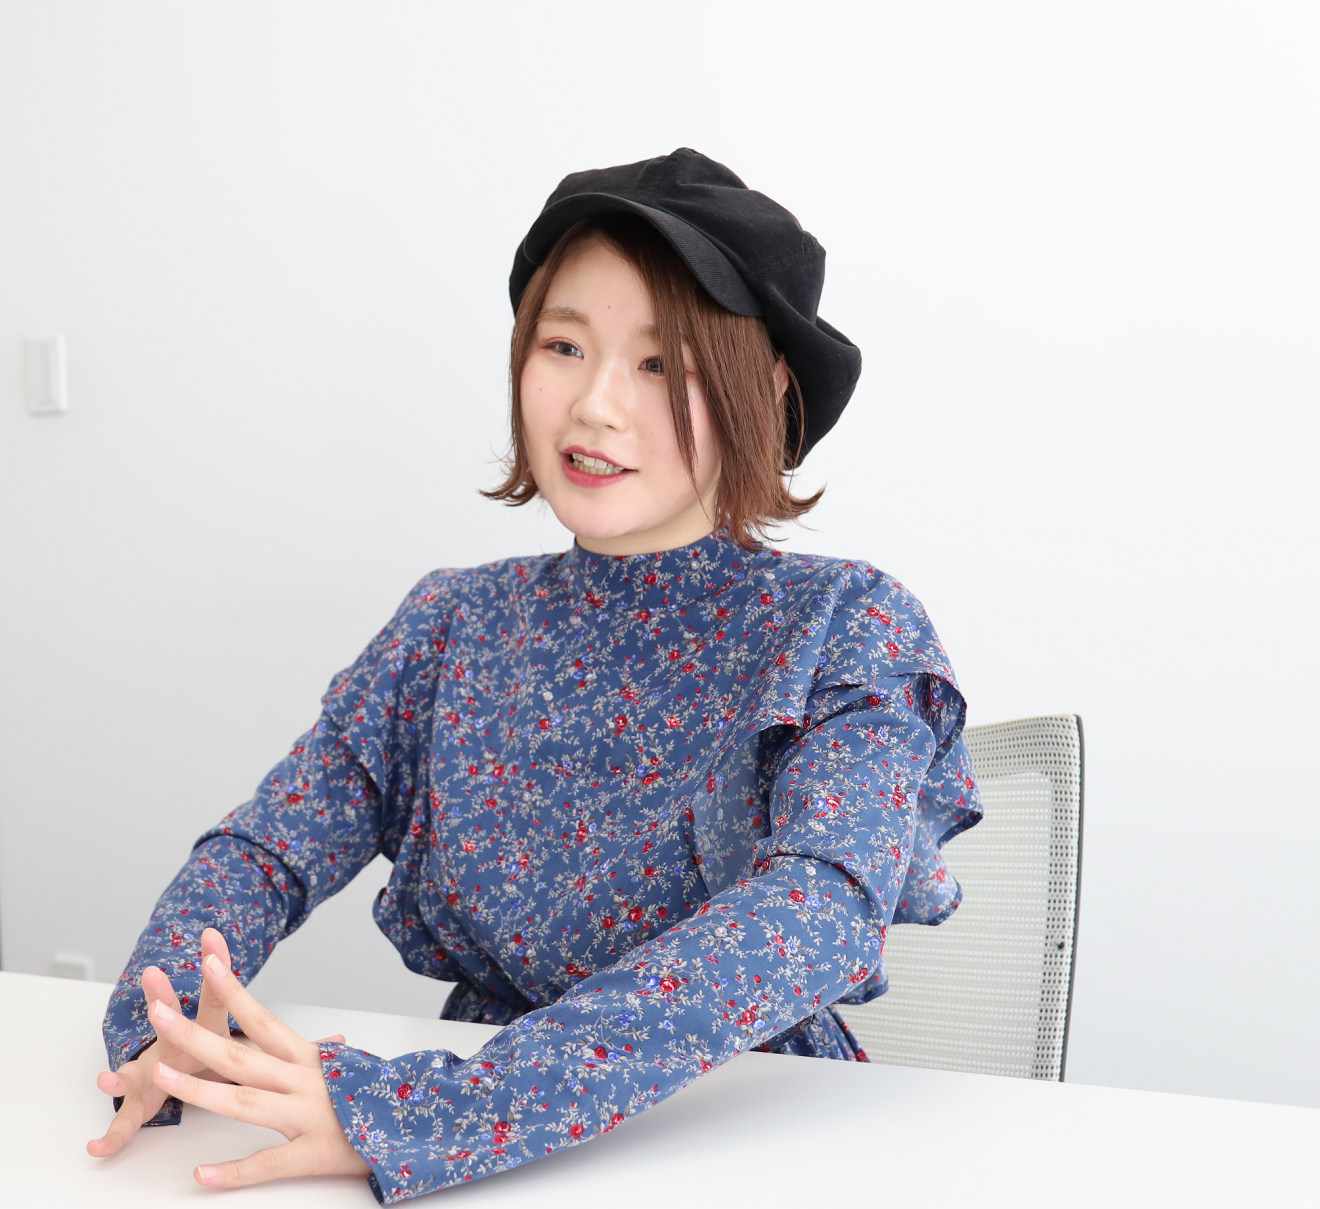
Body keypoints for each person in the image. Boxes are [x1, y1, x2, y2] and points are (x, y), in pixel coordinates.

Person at [89, 147, 983, 1204]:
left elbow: (816, 913)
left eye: (662, 364)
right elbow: (268, 847)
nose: (596, 405)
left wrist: (426, 1113)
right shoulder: (452, 622)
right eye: (564, 346)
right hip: (482, 1161)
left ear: (768, 389)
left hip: (743, 1133)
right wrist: (168, 1024)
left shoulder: (848, 622)